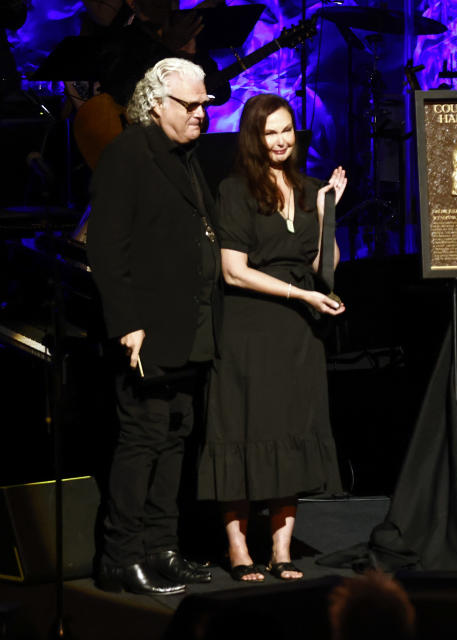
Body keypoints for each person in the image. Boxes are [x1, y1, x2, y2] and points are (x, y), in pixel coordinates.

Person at [196, 93, 346, 582]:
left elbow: (323, 270)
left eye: (287, 130)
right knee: (240, 428)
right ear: (254, 137)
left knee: (290, 430)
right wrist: (297, 295)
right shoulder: (234, 190)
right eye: (270, 132)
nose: (281, 140)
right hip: (249, 326)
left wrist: (327, 215)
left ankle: (281, 549)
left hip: (297, 333)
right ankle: (238, 547)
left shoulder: (308, 188)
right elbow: (233, 272)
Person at [86, 57, 219, 595]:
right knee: (142, 438)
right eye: (189, 106)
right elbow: (106, 246)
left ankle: (162, 547)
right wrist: (128, 324)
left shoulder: (184, 154)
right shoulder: (128, 153)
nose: (200, 115)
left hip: (188, 324)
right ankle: (120, 556)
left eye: (204, 105)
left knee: (176, 436)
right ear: (157, 104)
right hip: (147, 329)